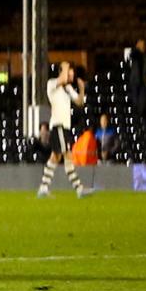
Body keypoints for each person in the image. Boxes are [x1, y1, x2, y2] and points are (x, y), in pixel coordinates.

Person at [38, 61, 89, 198]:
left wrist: (82, 89)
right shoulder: (52, 84)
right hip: (58, 125)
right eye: (69, 71)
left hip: (65, 127)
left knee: (55, 157)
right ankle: (79, 188)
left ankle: (43, 187)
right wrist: (65, 65)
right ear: (62, 72)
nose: (71, 75)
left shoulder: (67, 88)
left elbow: (79, 102)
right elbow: (62, 79)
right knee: (67, 155)